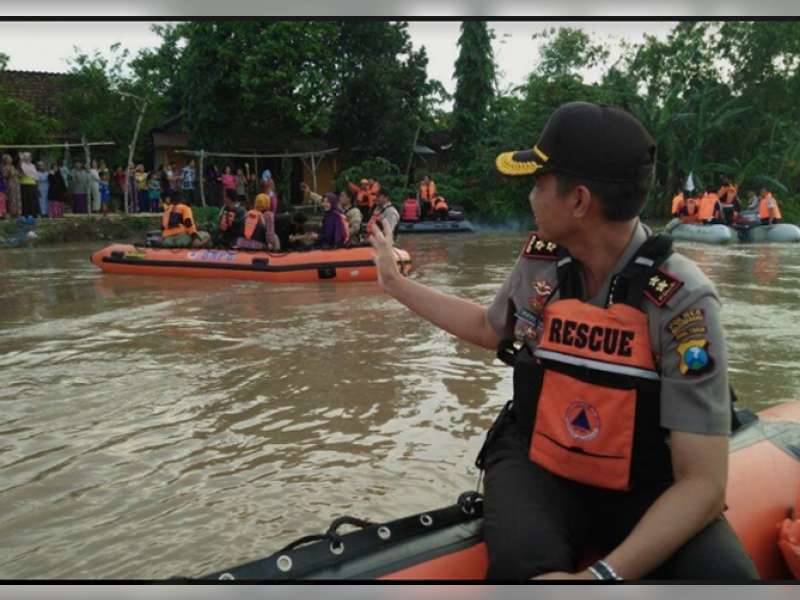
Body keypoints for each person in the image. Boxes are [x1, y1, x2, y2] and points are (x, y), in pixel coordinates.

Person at [370, 101, 758, 581]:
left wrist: (601, 579)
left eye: (537, 184)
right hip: (539, 463)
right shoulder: (542, 262)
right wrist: (395, 284)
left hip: (644, 484)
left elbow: (702, 482)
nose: (530, 198)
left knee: (728, 580)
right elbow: (490, 329)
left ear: (578, 201)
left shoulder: (682, 300)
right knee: (519, 568)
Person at [19, 152, 39, 217]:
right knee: (25, 200)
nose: (28, 159)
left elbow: (35, 176)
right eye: (27, 157)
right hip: (24, 184)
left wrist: (36, 185)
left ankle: (34, 214)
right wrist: (21, 158)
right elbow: (21, 172)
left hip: (32, 184)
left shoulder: (32, 166)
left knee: (33, 200)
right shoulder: (22, 165)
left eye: (29, 157)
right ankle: (26, 214)